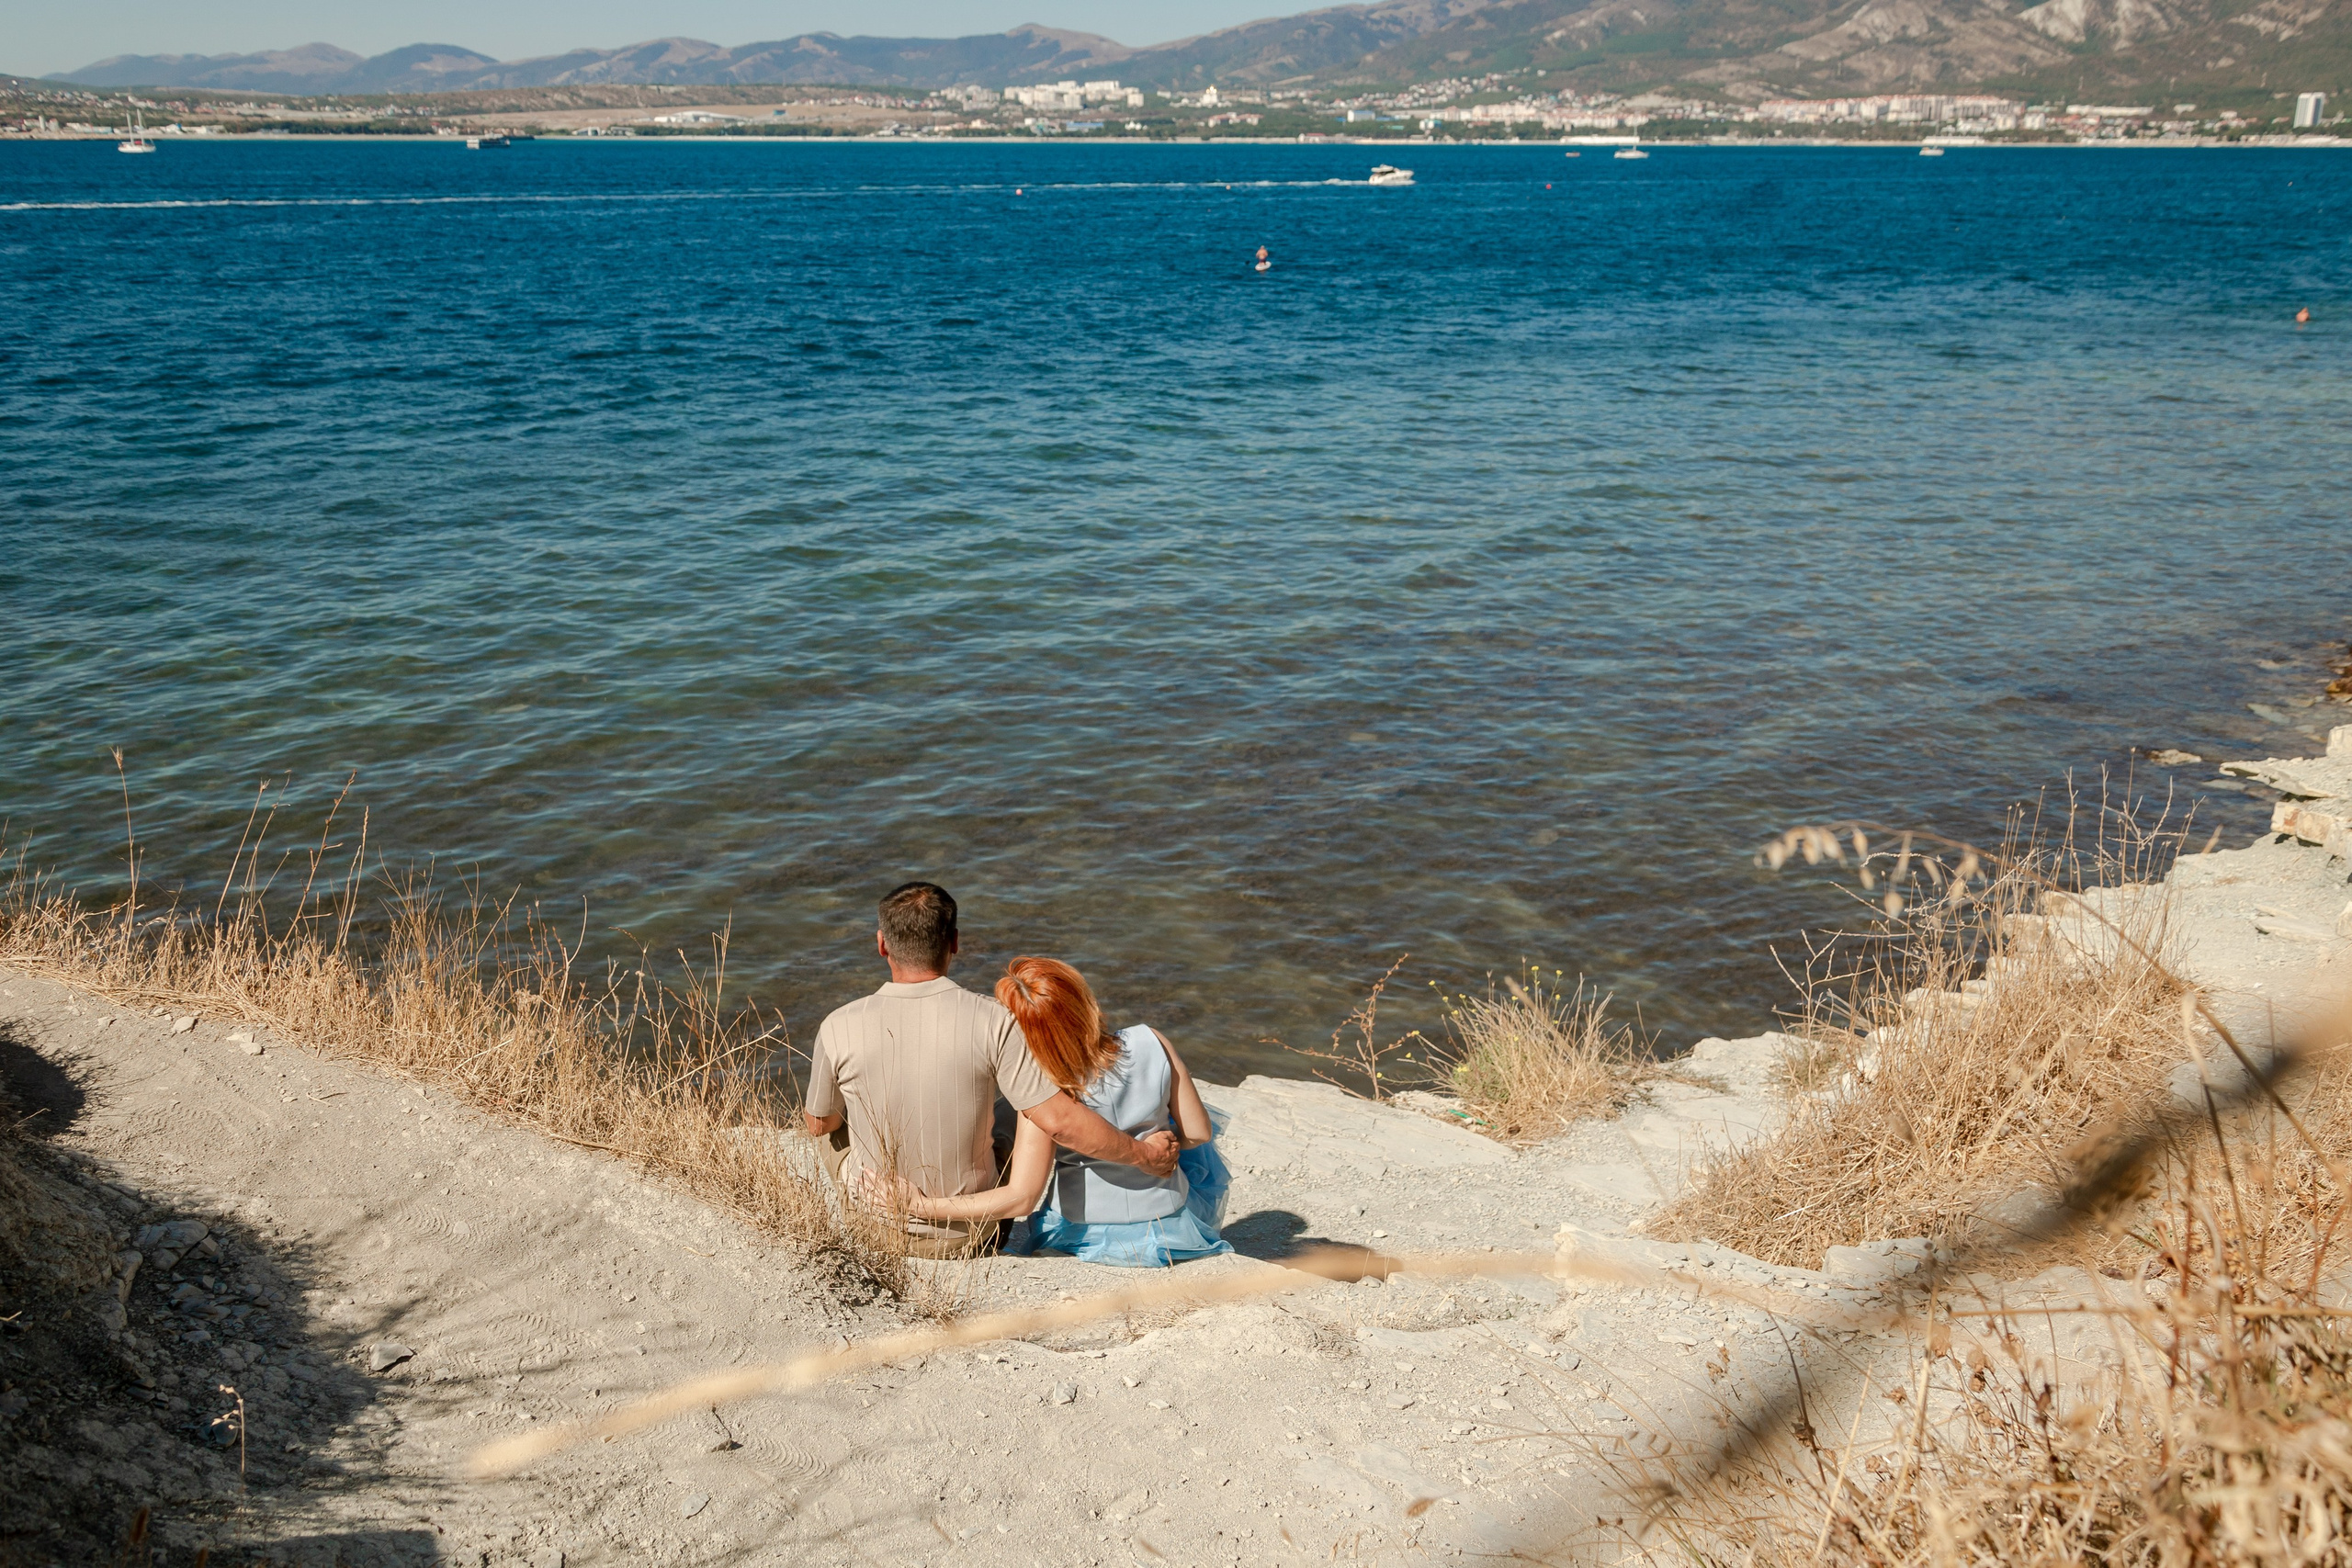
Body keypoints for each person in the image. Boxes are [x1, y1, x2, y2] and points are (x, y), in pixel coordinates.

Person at [804, 885, 1178, 1258]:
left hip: (875, 1231)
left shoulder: (837, 1024)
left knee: (828, 1119)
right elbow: (1061, 1122)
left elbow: (820, 1125)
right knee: (1020, 1110)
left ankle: (872, 1199)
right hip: (972, 1239)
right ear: (954, 942)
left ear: (882, 944)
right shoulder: (997, 1021)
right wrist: (1145, 1155)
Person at [860, 956, 1232, 1268]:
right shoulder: (1151, 1039)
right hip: (1170, 1223)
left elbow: (1021, 1198)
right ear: (1085, 1002)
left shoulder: (1043, 1092)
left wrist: (920, 1206)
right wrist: (1161, 1140)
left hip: (1086, 1232)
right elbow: (1199, 1133)